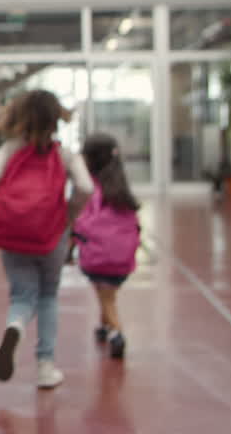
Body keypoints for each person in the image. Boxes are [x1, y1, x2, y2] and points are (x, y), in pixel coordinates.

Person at [0, 90, 94, 390]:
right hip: (51, 233)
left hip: (14, 232)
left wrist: (12, 198)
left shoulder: (11, 149)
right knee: (47, 295)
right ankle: (46, 367)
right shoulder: (65, 155)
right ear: (55, 119)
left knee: (22, 295)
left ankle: (15, 327)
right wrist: (70, 211)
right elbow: (85, 187)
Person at [76, 133, 141, 360]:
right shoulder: (121, 188)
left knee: (107, 297)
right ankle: (103, 326)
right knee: (107, 291)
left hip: (97, 257)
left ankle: (117, 332)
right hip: (124, 259)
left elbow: (81, 221)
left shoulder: (91, 189)